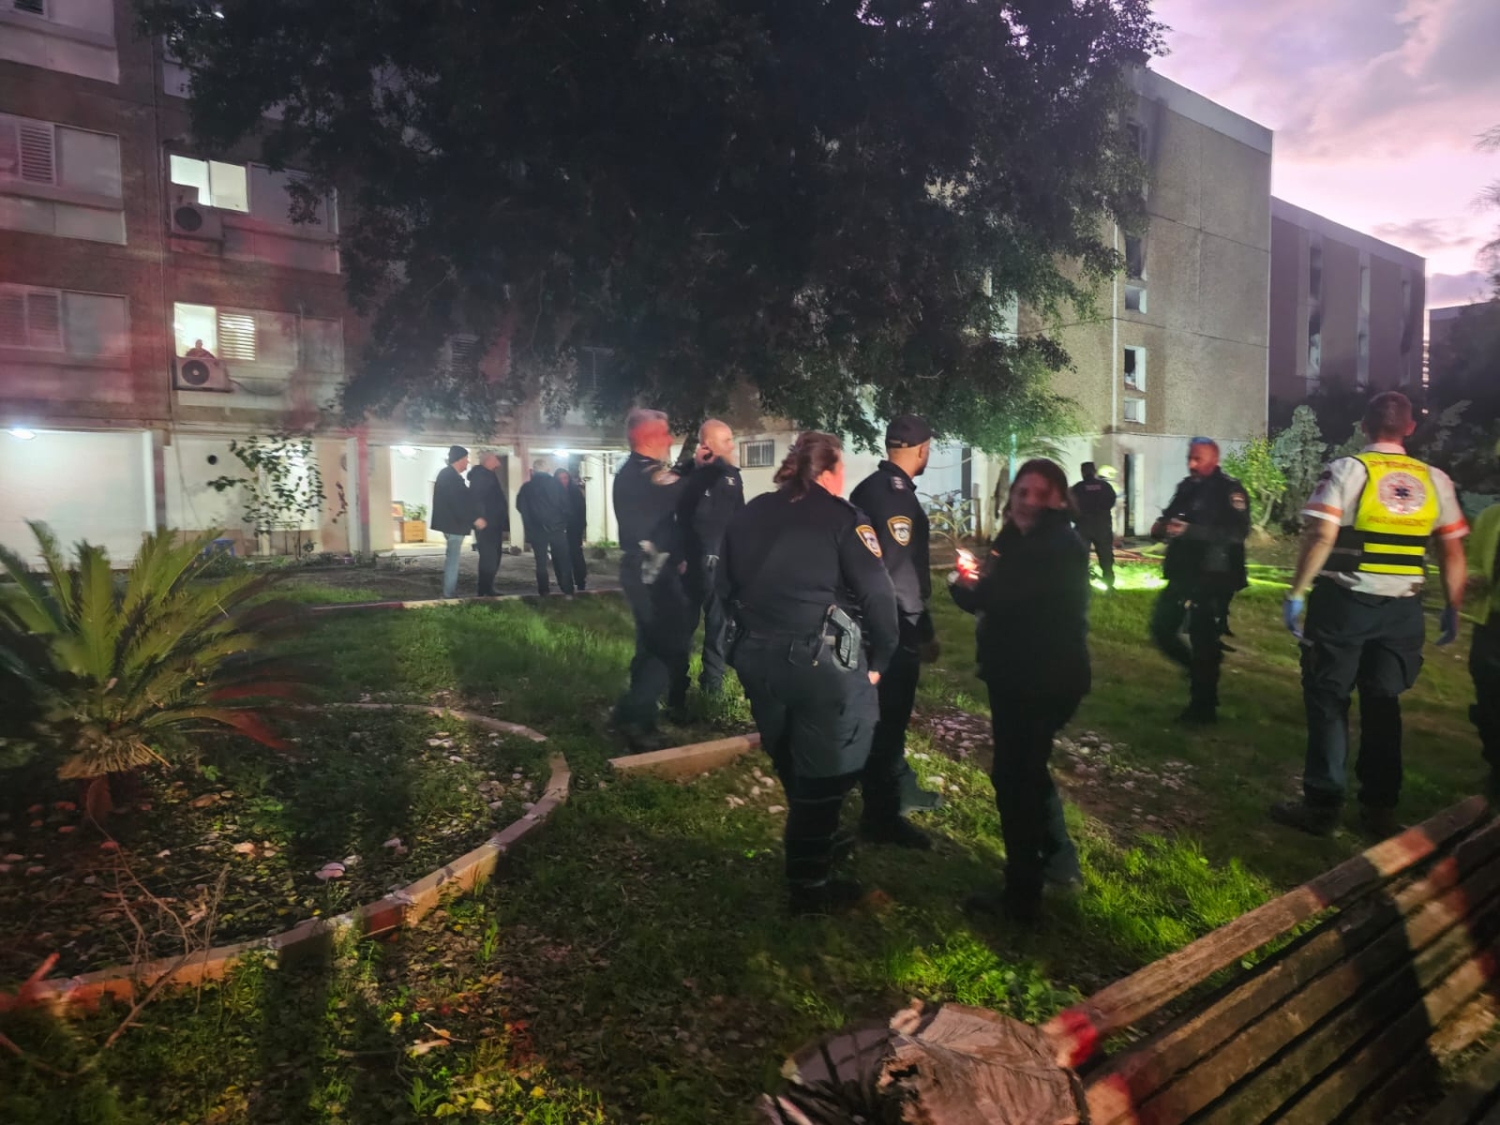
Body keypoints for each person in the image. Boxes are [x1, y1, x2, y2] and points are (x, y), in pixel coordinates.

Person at [718, 431, 900, 915]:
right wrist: (882, 658)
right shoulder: (843, 518)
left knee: (790, 757)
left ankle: (820, 842)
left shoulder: (750, 512)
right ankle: (809, 886)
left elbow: (723, 588)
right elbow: (878, 595)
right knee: (828, 769)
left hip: (756, 656)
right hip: (819, 662)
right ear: (830, 472)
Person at [1275, 392, 1468, 837]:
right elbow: (1452, 550)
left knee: (1329, 699)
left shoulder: (1348, 470)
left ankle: (1322, 807)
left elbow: (1321, 534)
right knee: (1384, 704)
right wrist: (1453, 607)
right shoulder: (1435, 479)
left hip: (1344, 605)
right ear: (1410, 429)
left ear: (1364, 425)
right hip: (1402, 611)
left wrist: (1297, 592)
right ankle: (1379, 810)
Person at [949, 459, 1089, 924]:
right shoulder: (1018, 538)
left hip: (1040, 680)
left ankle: (1022, 897)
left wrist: (961, 585)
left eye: (1040, 494)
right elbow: (996, 589)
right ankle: (1058, 860)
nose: (1028, 501)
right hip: (1016, 674)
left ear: (1060, 499)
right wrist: (976, 581)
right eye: (1022, 492)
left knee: (1015, 781)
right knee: (1025, 770)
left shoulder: (1055, 545)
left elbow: (998, 598)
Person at [848, 414, 943, 847]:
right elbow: (900, 575)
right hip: (894, 626)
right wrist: (921, 630)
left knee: (876, 716)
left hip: (864, 621)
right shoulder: (898, 499)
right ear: (923, 450)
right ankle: (881, 817)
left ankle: (888, 792)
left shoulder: (866, 489)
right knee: (889, 721)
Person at [1148, 438, 1250, 724]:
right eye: (1190, 458)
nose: (1192, 464)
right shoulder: (1186, 487)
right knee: (1161, 627)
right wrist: (1162, 527)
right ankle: (1198, 671)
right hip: (1183, 572)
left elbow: (1237, 533)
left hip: (1215, 574)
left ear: (1214, 460)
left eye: (1198, 459)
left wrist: (1191, 531)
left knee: (1203, 639)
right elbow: (1169, 518)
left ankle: (1203, 708)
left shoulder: (1229, 490)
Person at [612, 409, 695, 750]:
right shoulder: (647, 474)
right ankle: (638, 721)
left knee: (649, 644)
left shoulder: (633, 471)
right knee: (669, 645)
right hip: (651, 571)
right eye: (665, 433)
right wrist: (703, 466)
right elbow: (678, 489)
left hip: (646, 569)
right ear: (647, 438)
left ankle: (627, 713)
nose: (671, 439)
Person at [678, 419, 746, 696]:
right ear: (708, 445)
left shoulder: (732, 475)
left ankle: (712, 687)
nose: (732, 446)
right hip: (695, 562)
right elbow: (683, 514)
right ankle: (676, 688)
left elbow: (739, 520)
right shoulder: (693, 474)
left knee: (719, 626)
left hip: (721, 562)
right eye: (726, 441)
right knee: (685, 627)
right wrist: (697, 468)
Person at [1469, 486, 1500, 801]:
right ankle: (1496, 768)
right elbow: (1476, 560)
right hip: (1491, 622)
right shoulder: (1491, 517)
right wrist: (1475, 576)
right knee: (1489, 702)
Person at [429, 445, 486, 599]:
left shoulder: (447, 475)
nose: (467, 462)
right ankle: (449, 594)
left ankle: (449, 592)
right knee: (453, 560)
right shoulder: (451, 477)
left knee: (452, 558)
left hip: (450, 524)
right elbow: (459, 503)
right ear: (459, 459)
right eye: (466, 459)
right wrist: (475, 519)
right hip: (453, 525)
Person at [515, 458, 575, 597]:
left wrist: (531, 522)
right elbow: (566, 505)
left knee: (541, 562)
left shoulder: (526, 488)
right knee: (563, 560)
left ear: (533, 471)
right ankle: (568, 590)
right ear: (548, 470)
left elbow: (520, 506)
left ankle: (544, 591)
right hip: (557, 529)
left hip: (537, 530)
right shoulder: (557, 484)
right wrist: (563, 522)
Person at [1071, 462, 1118, 589]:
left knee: (1081, 557)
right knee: (1106, 556)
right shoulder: (1105, 486)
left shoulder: (1078, 488)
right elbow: (1112, 500)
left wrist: (1076, 519)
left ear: (1082, 472)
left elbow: (1069, 505)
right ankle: (1109, 584)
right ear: (1095, 471)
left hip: (1083, 526)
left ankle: (1084, 585)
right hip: (1102, 526)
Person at [469, 452, 510, 597]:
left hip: (493, 523)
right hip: (486, 524)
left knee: (494, 556)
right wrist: (478, 517)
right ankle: (484, 590)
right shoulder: (481, 476)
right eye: (495, 459)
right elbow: (476, 498)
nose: (498, 461)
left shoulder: (488, 475)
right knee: (489, 557)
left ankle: (488, 587)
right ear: (488, 461)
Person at [555, 468, 589, 592]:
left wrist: (580, 526)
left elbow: (581, 511)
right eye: (560, 479)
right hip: (559, 529)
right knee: (561, 557)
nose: (563, 481)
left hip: (574, 529)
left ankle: (580, 581)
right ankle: (565, 583)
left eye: (565, 478)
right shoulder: (553, 493)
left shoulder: (575, 492)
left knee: (576, 554)